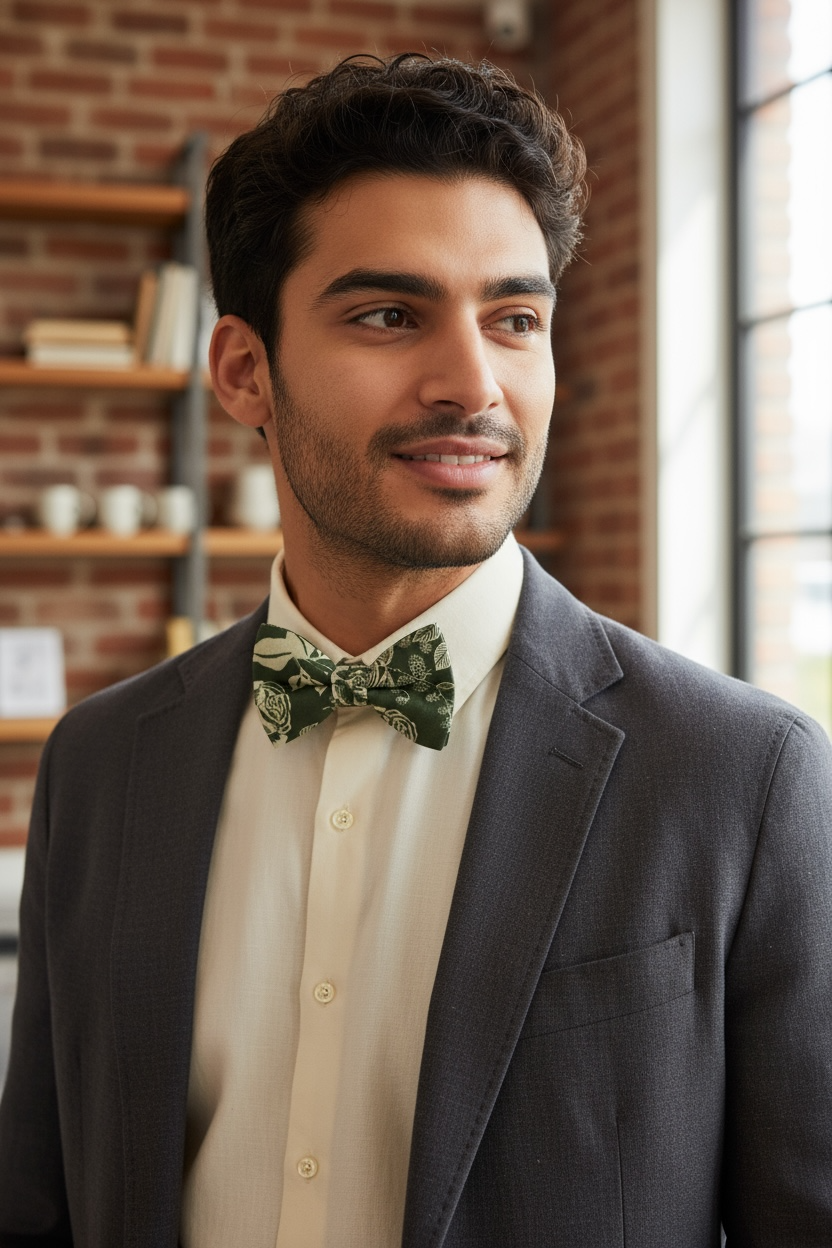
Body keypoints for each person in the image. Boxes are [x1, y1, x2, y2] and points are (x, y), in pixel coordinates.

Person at [1, 52, 831, 1248]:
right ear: (244, 372)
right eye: (389, 316)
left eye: (514, 319)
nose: (470, 384)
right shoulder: (98, 764)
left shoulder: (743, 776)